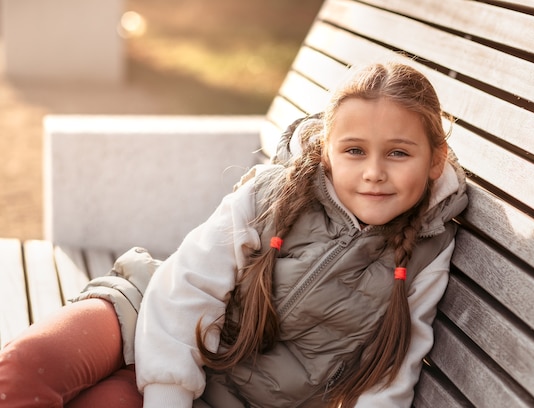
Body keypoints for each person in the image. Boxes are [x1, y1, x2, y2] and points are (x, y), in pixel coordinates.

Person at [0, 60, 468, 407]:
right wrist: (167, 394)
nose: (373, 173)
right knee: (23, 369)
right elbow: (188, 284)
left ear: (436, 158)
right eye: (354, 150)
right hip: (152, 312)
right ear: (326, 152)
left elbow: (393, 373)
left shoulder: (425, 254)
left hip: (227, 396)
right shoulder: (275, 194)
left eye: (398, 154)